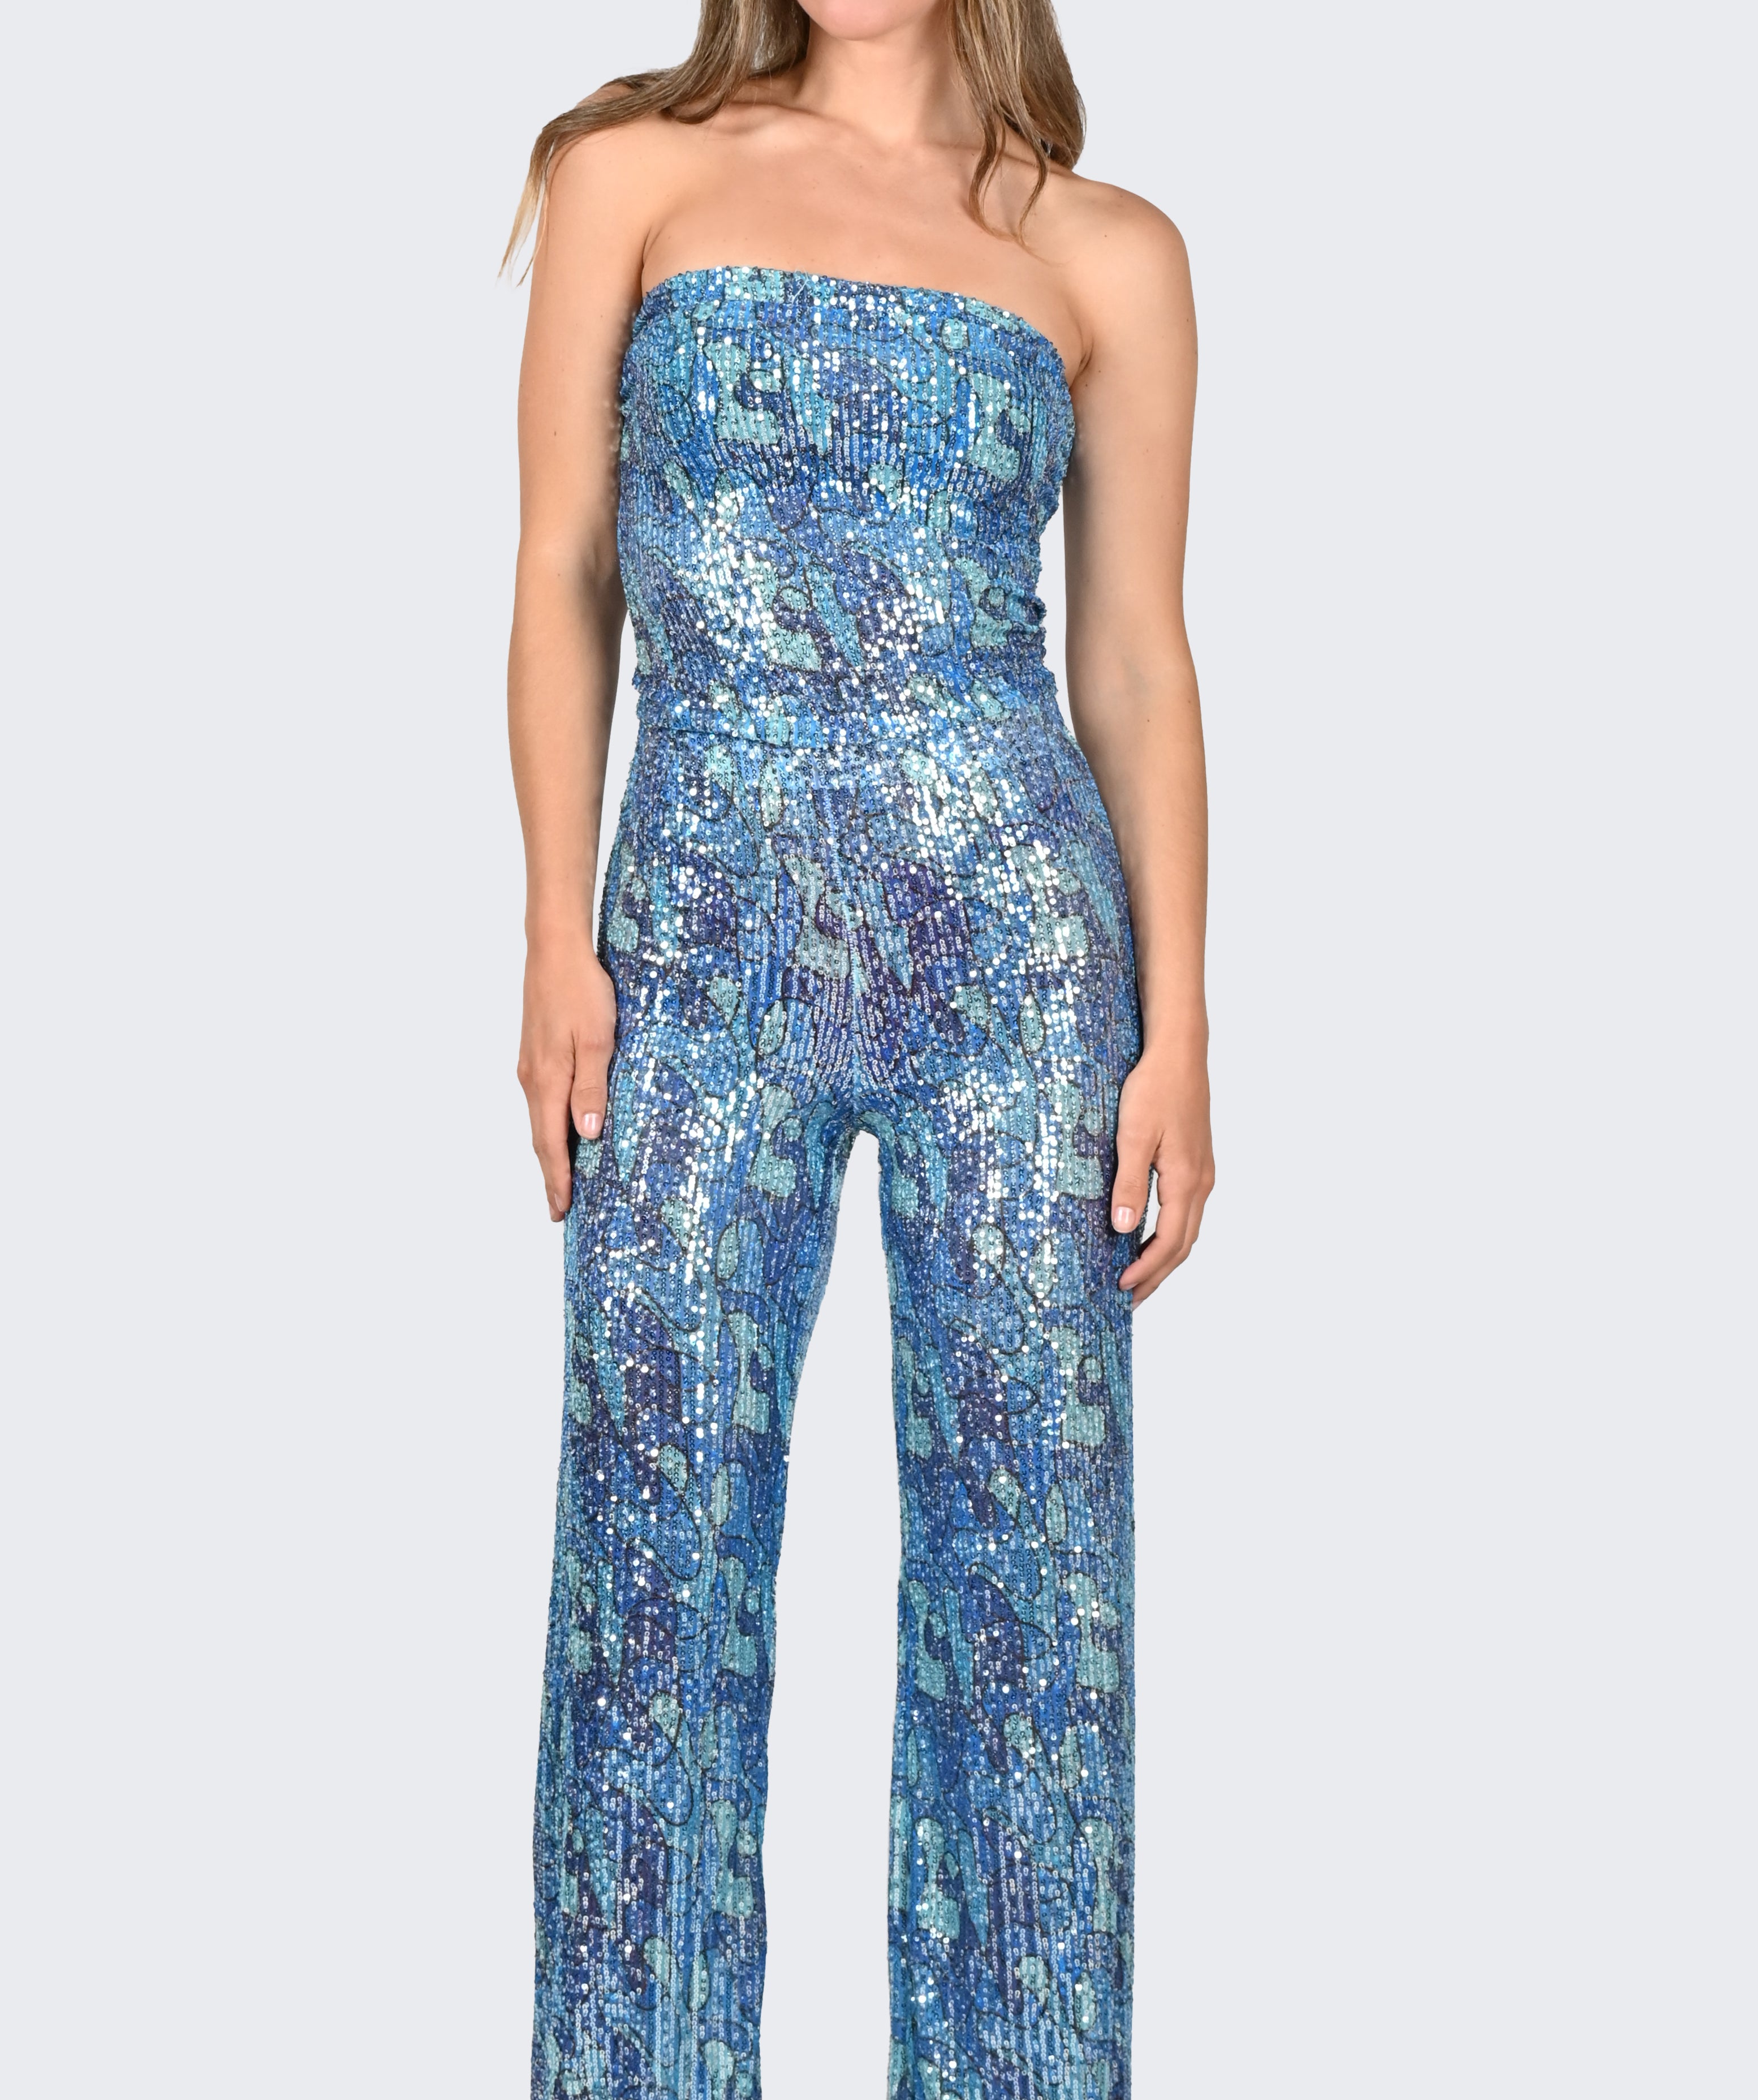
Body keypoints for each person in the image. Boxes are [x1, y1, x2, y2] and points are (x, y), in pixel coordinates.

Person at [506, 2, 1212, 2091]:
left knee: (1030, 1606)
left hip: (1018, 960)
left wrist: (1180, 1021)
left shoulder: (1108, 250)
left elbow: (1137, 659)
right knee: (648, 1572)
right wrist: (555, 930)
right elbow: (561, 571)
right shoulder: (631, 176)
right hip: (691, 943)